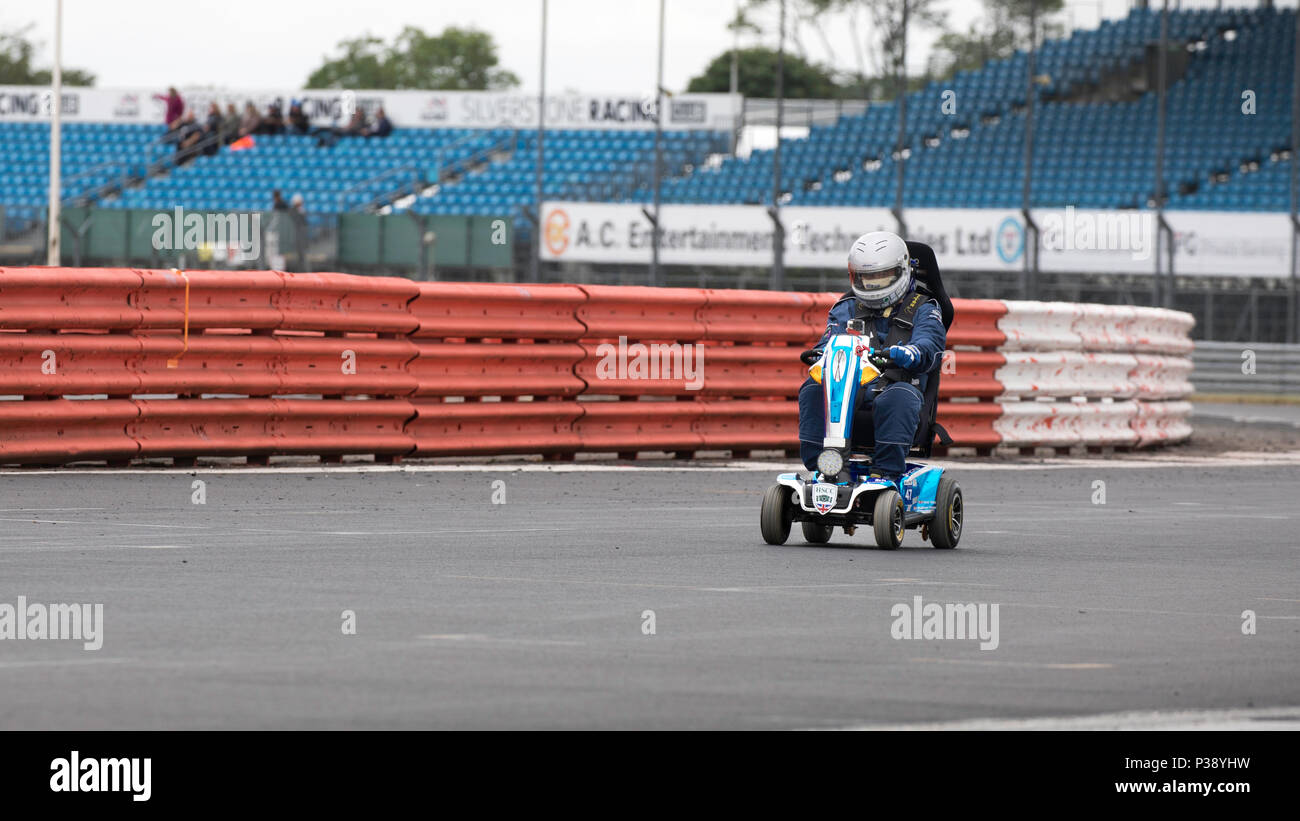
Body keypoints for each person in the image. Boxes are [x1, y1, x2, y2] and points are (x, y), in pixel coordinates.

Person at [796, 231, 947, 488]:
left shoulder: (925, 309)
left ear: (901, 271)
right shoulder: (846, 307)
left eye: (881, 276)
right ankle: (827, 468)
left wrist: (910, 352)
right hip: (851, 391)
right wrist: (822, 354)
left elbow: (929, 345)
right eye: (867, 278)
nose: (873, 284)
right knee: (812, 388)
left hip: (895, 387)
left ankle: (884, 473)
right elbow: (829, 339)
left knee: (898, 397)